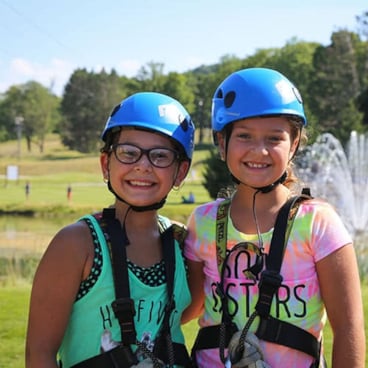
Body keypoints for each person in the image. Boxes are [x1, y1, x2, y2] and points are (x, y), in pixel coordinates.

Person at [182, 68, 365, 367]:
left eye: (274, 138)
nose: (259, 150)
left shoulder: (317, 222)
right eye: (244, 136)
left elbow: (347, 328)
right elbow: (184, 309)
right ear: (221, 141)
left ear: (293, 144)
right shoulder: (203, 222)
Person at [26, 92, 196, 368]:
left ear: (180, 172)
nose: (143, 166)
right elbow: (39, 355)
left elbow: (185, 312)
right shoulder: (77, 244)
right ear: (106, 164)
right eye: (128, 153)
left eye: (160, 156)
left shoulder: (180, 242)